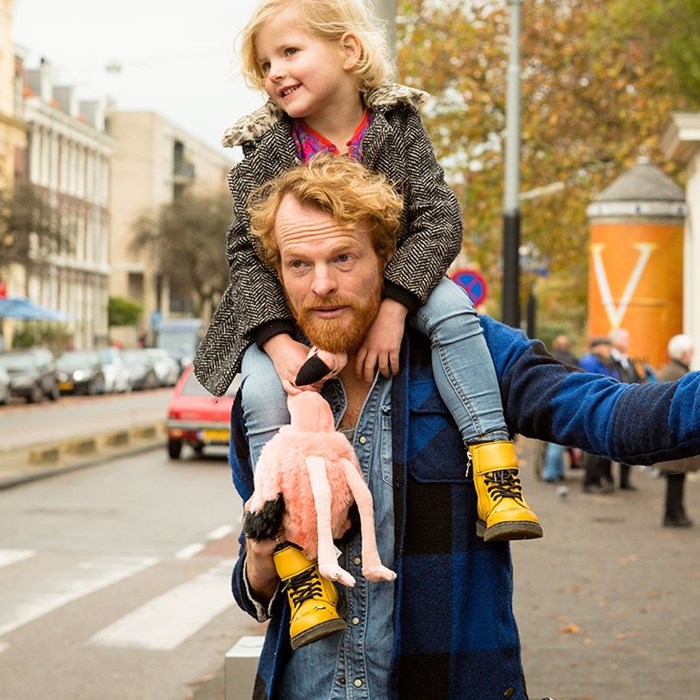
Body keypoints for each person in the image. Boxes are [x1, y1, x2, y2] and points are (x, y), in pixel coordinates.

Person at [222, 156, 700, 699]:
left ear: (385, 255)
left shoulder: (468, 351)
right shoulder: (266, 396)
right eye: (299, 265)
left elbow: (611, 416)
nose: (323, 284)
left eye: (344, 257)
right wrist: (260, 565)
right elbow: (252, 586)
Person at [194, 0, 540, 648]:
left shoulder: (398, 126)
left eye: (291, 52)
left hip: (402, 285)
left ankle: (495, 469)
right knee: (268, 396)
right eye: (266, 63)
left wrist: (393, 307)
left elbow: (439, 219)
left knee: (457, 314)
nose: (276, 71)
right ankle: (298, 562)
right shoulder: (263, 150)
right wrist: (277, 342)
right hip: (278, 315)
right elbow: (246, 255)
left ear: (349, 51)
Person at [656, 334, 697, 527]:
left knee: (677, 480)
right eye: (689, 352)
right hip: (674, 438)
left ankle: (676, 513)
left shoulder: (673, 371)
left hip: (673, 438)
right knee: (675, 480)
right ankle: (673, 514)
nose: (691, 355)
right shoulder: (677, 373)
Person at [577, 337, 618, 493]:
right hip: (595, 407)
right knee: (595, 447)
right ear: (597, 347)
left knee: (604, 447)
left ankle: (601, 479)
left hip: (606, 406)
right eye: (606, 346)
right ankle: (590, 482)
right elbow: (593, 382)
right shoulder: (589, 362)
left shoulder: (606, 361)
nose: (609, 349)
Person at [608, 328, 647, 490]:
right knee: (608, 445)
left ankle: (625, 480)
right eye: (625, 339)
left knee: (629, 444)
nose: (628, 342)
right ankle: (607, 479)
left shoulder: (629, 361)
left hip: (630, 406)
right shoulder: (608, 361)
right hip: (613, 406)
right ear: (615, 341)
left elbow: (637, 380)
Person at [542, 335, 579, 482]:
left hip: (551, 400)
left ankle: (553, 471)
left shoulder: (548, 356)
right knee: (560, 441)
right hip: (569, 400)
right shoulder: (574, 359)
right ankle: (553, 472)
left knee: (554, 440)